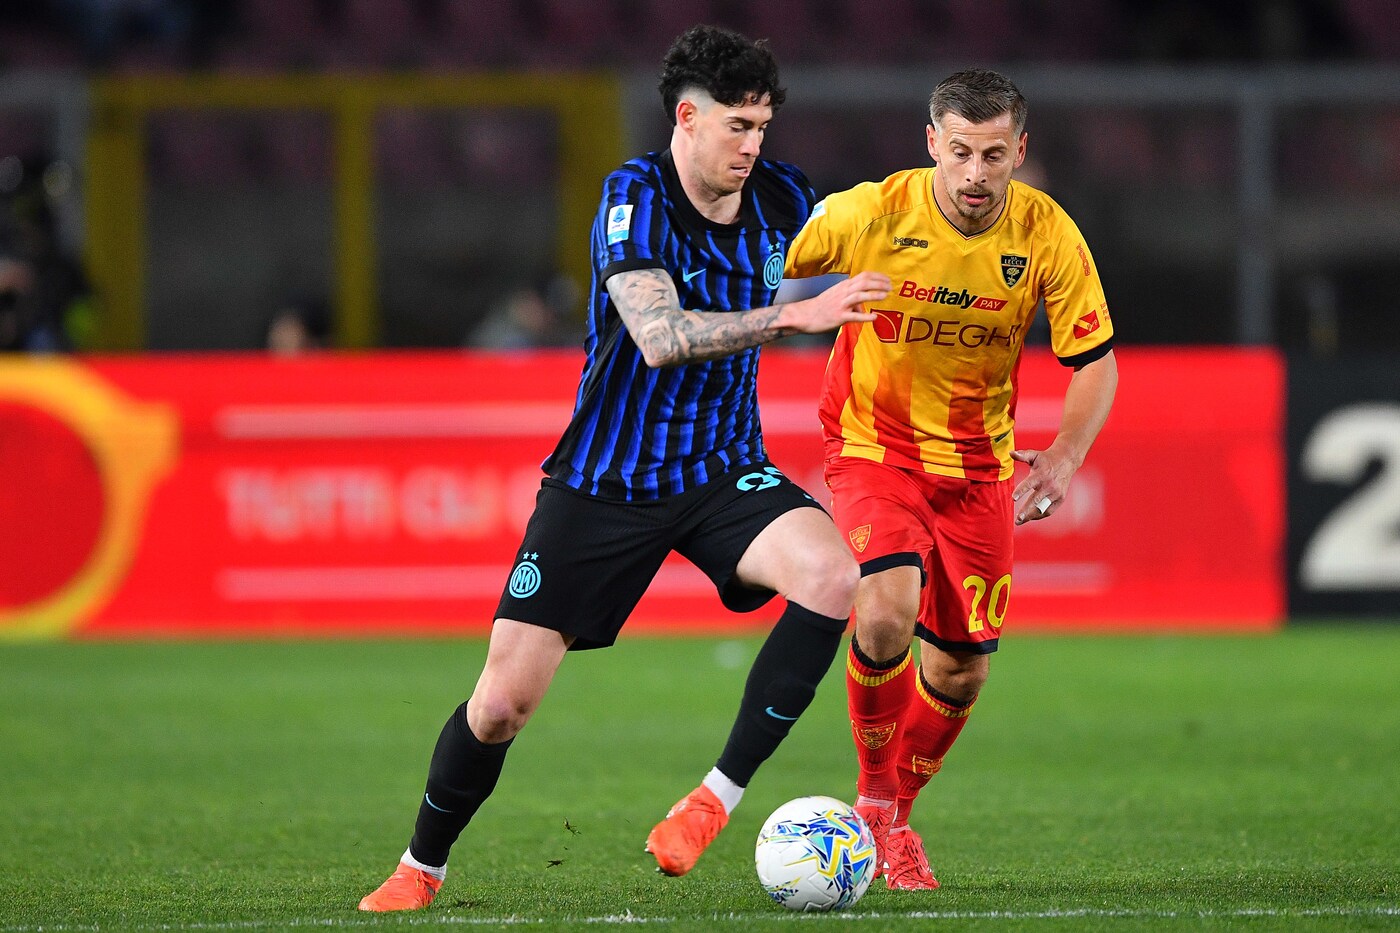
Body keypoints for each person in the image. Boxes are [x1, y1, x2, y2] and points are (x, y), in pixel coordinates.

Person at [357, 24, 892, 912]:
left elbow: (891, 240)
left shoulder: (786, 198)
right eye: (737, 126)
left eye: (762, 127)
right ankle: (421, 865)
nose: (752, 146)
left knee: (835, 576)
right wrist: (791, 317)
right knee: (501, 705)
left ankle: (712, 799)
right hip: (605, 481)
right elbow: (658, 335)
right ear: (687, 118)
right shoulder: (633, 197)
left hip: (722, 470)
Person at [783, 68, 1118, 890]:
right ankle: (870, 805)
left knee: (962, 670)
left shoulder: (1046, 233)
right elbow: (754, 260)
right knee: (885, 607)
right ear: (932, 142)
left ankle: (897, 814)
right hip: (873, 446)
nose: (975, 173)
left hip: (978, 469)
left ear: (1020, 151)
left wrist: (1065, 454)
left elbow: (1095, 360)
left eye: (993, 155)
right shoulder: (871, 212)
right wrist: (786, 306)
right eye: (960, 151)